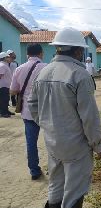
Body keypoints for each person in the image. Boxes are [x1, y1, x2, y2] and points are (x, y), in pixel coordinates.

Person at [28, 27, 101, 208]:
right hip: (76, 146)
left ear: (58, 48)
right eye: (82, 51)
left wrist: (47, 124)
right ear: (78, 51)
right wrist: (98, 145)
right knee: (74, 191)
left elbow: (32, 105)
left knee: (55, 186)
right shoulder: (80, 75)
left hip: (53, 142)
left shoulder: (44, 72)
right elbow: (89, 118)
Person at [10, 44, 47, 180]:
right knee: (52, 140)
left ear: (27, 54)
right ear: (41, 54)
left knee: (31, 142)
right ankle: (55, 168)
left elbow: (13, 91)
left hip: (28, 112)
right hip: (47, 111)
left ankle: (34, 171)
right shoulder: (48, 68)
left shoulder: (19, 69)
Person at [0, 52, 13, 118]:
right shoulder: (2, 65)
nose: (9, 58)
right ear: (5, 58)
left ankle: (6, 110)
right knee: (3, 99)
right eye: (8, 57)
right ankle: (3, 112)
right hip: (3, 86)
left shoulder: (5, 65)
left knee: (6, 99)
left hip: (6, 85)